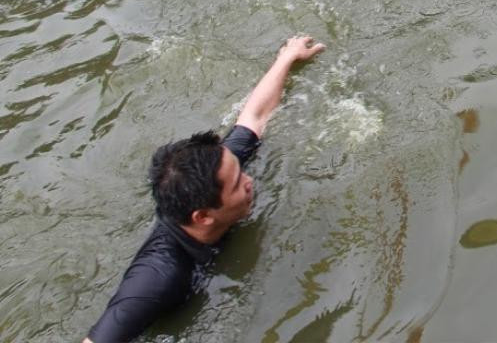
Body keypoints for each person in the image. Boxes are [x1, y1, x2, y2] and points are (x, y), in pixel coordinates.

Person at [83, 35, 325, 343]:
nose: (249, 181)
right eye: (238, 184)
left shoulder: (220, 166)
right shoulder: (157, 278)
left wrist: (287, 59)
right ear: (203, 216)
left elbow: (254, 117)